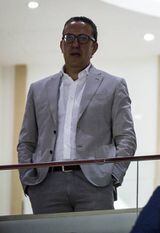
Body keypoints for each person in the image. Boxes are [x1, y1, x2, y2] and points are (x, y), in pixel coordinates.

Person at [17, 16, 136, 214]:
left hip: (95, 184)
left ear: (94, 47)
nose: (75, 44)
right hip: (46, 186)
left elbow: (126, 138)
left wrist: (113, 177)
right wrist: (29, 181)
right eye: (69, 38)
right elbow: (26, 141)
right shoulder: (38, 89)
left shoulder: (113, 85)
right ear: (61, 44)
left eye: (83, 39)